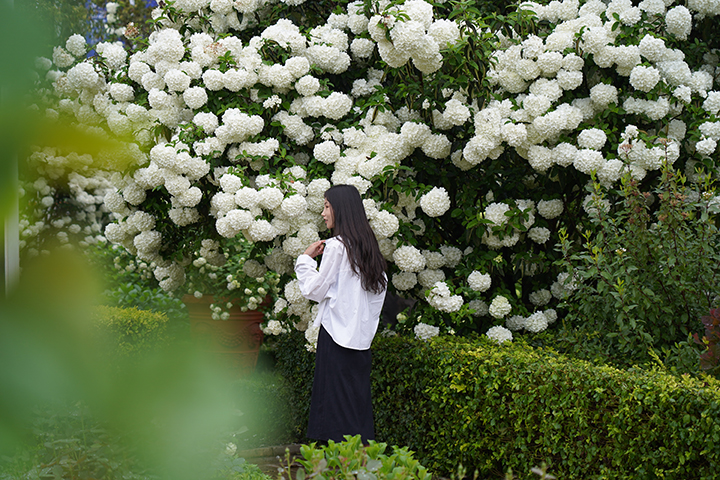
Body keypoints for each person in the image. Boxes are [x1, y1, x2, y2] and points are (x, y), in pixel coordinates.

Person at [294, 184, 388, 444]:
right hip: (360, 338)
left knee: (331, 404)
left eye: (326, 206)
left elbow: (315, 290)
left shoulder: (337, 246)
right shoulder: (368, 249)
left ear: (340, 209)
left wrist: (304, 259)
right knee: (355, 402)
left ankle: (331, 462)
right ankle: (358, 459)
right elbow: (377, 295)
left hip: (335, 334)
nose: (324, 213)